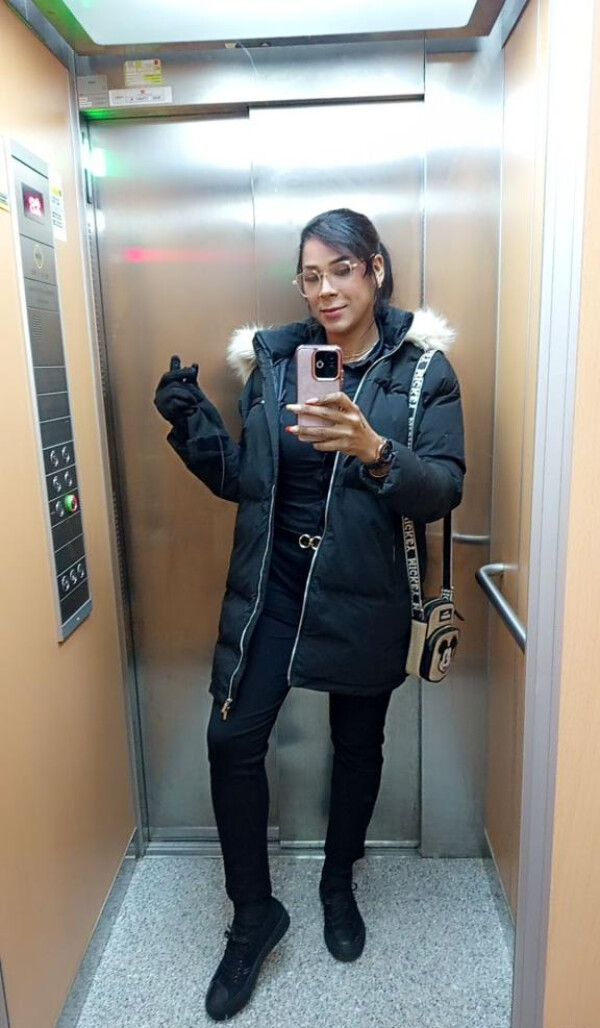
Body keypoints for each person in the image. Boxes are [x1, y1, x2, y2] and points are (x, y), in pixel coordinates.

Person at [154, 208, 465, 1022]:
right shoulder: (275, 360)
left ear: (376, 270)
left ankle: (336, 881)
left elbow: (443, 488)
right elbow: (247, 480)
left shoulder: (423, 372)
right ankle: (254, 915)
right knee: (232, 741)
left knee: (358, 743)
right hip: (274, 585)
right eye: (310, 276)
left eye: (341, 270)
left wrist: (374, 450)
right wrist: (191, 420)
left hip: (363, 587)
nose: (325, 290)